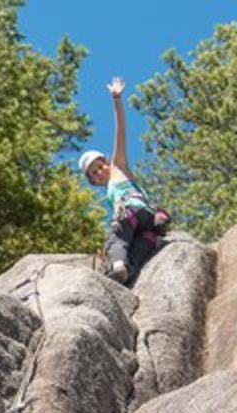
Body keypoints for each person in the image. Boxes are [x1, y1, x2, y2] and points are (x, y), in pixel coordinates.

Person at [78, 76, 170, 284]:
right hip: (148, 224)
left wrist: (117, 99)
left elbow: (120, 131)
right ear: (93, 181)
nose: (100, 172)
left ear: (106, 161)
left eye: (100, 166)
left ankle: (118, 265)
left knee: (116, 239)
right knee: (138, 247)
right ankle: (128, 271)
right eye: (94, 173)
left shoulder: (119, 166)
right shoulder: (111, 188)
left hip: (133, 212)